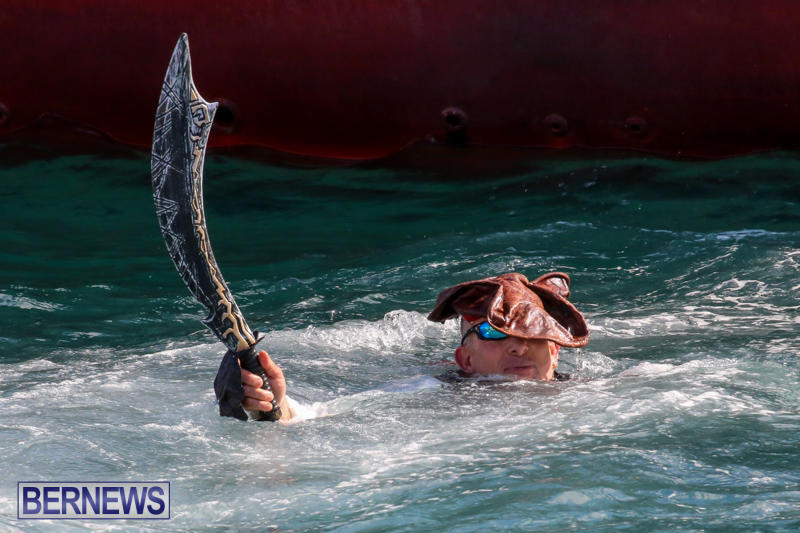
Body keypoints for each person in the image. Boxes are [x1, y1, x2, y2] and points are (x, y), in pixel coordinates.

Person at [239, 272, 590, 422]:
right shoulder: (433, 392)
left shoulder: (601, 395)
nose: (518, 347)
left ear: (555, 350)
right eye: (493, 333)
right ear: (464, 360)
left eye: (533, 334)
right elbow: (321, 414)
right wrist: (276, 403)